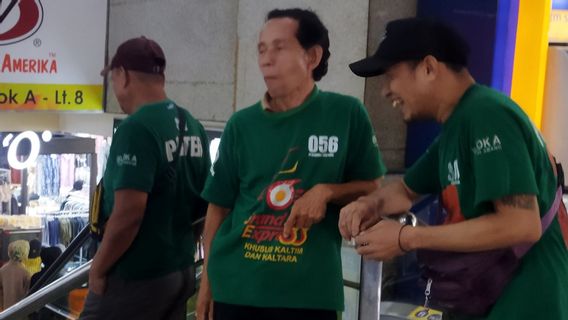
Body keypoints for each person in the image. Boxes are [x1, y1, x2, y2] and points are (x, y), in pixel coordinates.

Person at [340, 17, 568, 319]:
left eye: (391, 75)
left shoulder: (486, 114)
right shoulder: (457, 127)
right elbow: (406, 190)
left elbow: (521, 225)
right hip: (490, 301)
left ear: (429, 68)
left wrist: (405, 238)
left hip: (526, 304)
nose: (385, 91)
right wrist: (369, 204)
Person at [196, 8, 386, 320]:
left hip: (309, 294)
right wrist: (207, 284)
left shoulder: (346, 114)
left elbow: (373, 187)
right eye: (261, 49)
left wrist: (326, 192)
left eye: (279, 47)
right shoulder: (241, 125)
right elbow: (218, 208)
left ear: (312, 57)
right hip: (237, 287)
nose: (266, 58)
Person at [79, 36, 211, 320]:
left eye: (112, 79)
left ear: (123, 75)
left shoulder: (135, 129)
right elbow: (203, 207)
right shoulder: (192, 125)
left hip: (136, 278)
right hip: (179, 272)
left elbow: (129, 214)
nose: (114, 89)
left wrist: (98, 269)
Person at [0, 240, 31, 310]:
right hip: (20, 311)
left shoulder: (2, 270)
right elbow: (27, 294)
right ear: (25, 253)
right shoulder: (26, 272)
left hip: (6, 311)